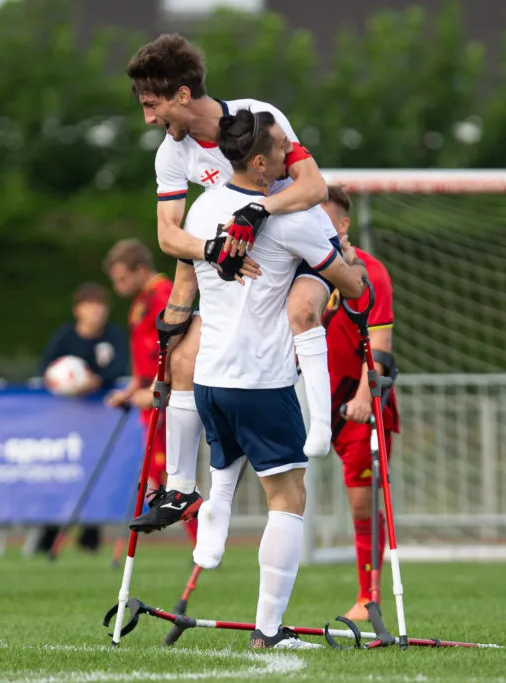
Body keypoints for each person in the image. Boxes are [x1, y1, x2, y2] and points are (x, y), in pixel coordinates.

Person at [163, 109, 367, 649]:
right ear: (259, 163)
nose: (290, 158)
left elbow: (184, 266)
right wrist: (349, 265)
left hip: (207, 379)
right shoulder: (292, 216)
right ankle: (269, 630)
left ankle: (214, 516)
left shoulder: (205, 208)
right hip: (261, 379)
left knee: (225, 465)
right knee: (288, 496)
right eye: (281, 151)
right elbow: (350, 286)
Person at [123, 34, 338, 534]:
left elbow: (314, 187)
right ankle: (179, 490)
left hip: (305, 251)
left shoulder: (259, 116)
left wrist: (256, 211)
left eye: (153, 106)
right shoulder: (172, 155)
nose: (150, 119)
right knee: (181, 359)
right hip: (244, 264)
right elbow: (168, 236)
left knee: (302, 312)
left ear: (181, 95)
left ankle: (321, 426)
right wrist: (213, 251)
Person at [319, 185, 400, 621]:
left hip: (356, 401)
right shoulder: (303, 268)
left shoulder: (371, 272)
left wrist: (367, 398)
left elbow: (381, 349)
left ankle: (368, 597)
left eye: (324, 215)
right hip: (314, 402)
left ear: (344, 223)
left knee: (362, 500)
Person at [103, 239, 198, 548]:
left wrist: (163, 388)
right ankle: (195, 543)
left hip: (163, 396)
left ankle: (203, 543)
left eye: (122, 278)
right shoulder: (139, 301)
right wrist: (131, 388)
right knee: (159, 471)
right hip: (147, 395)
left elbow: (173, 345)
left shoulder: (164, 295)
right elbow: (140, 354)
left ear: (140, 269)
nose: (118, 286)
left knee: (175, 475)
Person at [35, 282, 130, 553]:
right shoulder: (65, 336)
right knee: (62, 475)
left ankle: (91, 536)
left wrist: (95, 381)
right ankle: (47, 536)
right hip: (65, 421)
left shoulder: (112, 336)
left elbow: (119, 366)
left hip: (100, 419)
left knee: (95, 473)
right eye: (90, 306)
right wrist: (59, 382)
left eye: (101, 306)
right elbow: (45, 368)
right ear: (78, 310)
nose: (96, 312)